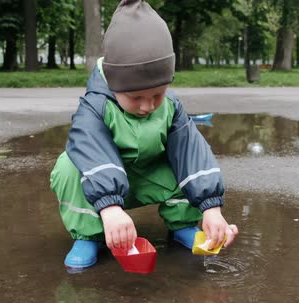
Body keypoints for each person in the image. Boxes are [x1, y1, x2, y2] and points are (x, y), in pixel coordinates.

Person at [50, 0, 238, 269]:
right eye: (135, 97)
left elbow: (192, 153)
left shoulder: (171, 107)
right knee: (68, 166)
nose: (148, 106)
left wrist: (211, 208)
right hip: (106, 187)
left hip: (148, 178)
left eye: (157, 95)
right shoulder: (95, 106)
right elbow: (91, 150)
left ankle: (183, 223)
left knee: (185, 165)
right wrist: (110, 208)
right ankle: (89, 234)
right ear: (114, 84)